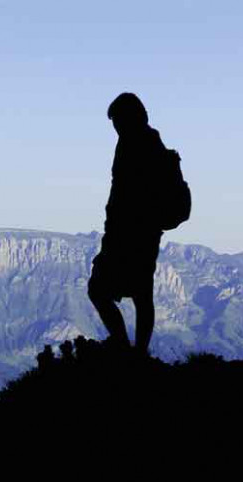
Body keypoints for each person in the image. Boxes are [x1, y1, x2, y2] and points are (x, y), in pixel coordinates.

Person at [88, 92, 169, 356]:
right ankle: (135, 351)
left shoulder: (139, 143)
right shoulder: (144, 141)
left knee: (103, 289)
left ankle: (128, 349)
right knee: (140, 293)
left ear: (128, 118)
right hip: (140, 233)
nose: (115, 128)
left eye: (117, 122)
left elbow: (130, 193)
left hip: (131, 233)